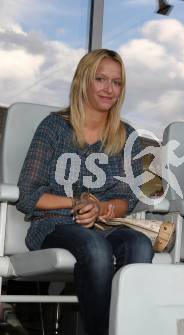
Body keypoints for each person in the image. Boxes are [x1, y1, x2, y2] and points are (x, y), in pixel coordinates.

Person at [17, 49, 153, 335]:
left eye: (116, 82)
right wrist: (78, 203)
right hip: (54, 223)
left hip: (105, 224)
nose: (109, 89)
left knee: (140, 244)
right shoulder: (54, 127)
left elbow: (127, 197)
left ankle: (127, 328)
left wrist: (101, 209)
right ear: (83, 81)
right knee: (96, 249)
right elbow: (28, 194)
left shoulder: (126, 135)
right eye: (100, 79)